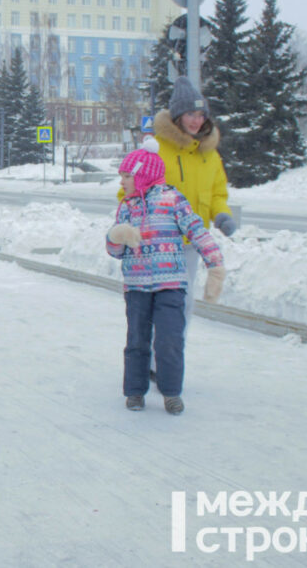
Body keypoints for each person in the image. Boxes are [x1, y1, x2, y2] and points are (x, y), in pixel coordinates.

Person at [106, 138, 225, 414]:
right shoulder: (127, 206)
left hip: (171, 284)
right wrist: (116, 236)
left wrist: (215, 265)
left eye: (127, 176)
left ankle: (171, 392)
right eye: (121, 176)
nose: (122, 182)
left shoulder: (173, 200)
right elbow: (114, 251)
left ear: (143, 174)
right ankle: (135, 391)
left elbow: (197, 231)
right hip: (136, 286)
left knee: (169, 339)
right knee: (137, 339)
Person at [148, 76, 236, 324]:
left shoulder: (209, 154)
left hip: (191, 243)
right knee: (163, 304)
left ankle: (172, 358)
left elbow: (218, 192)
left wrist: (221, 214)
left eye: (201, 114)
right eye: (190, 114)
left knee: (184, 303)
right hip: (161, 242)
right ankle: (155, 358)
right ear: (177, 117)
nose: (197, 121)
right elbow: (132, 191)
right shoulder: (157, 150)